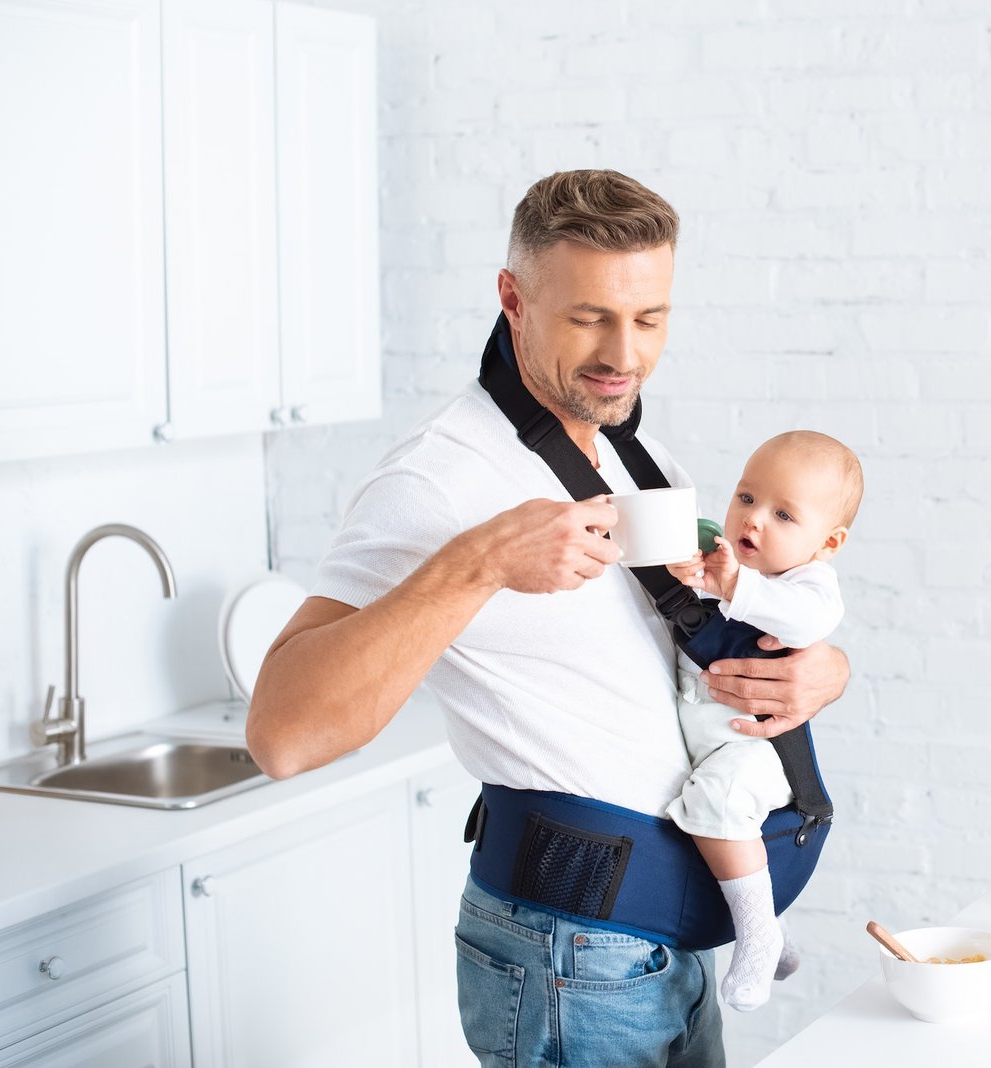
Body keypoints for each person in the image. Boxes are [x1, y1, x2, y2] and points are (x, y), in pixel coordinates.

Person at [245, 169, 851, 1068]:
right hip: (565, 957)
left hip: (662, 945)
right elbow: (281, 733)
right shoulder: (436, 478)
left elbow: (696, 630)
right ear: (513, 299)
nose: (624, 354)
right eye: (588, 317)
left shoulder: (631, 446)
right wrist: (479, 562)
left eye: (649, 319)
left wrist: (820, 671)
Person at [664, 430, 863, 1012]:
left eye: (783, 514)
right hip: (695, 741)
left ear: (827, 542)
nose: (754, 521)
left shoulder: (808, 588)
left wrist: (732, 586)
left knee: (719, 805)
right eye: (747, 498)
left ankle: (756, 936)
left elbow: (802, 622)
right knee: (699, 833)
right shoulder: (719, 565)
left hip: (750, 751)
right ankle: (768, 926)